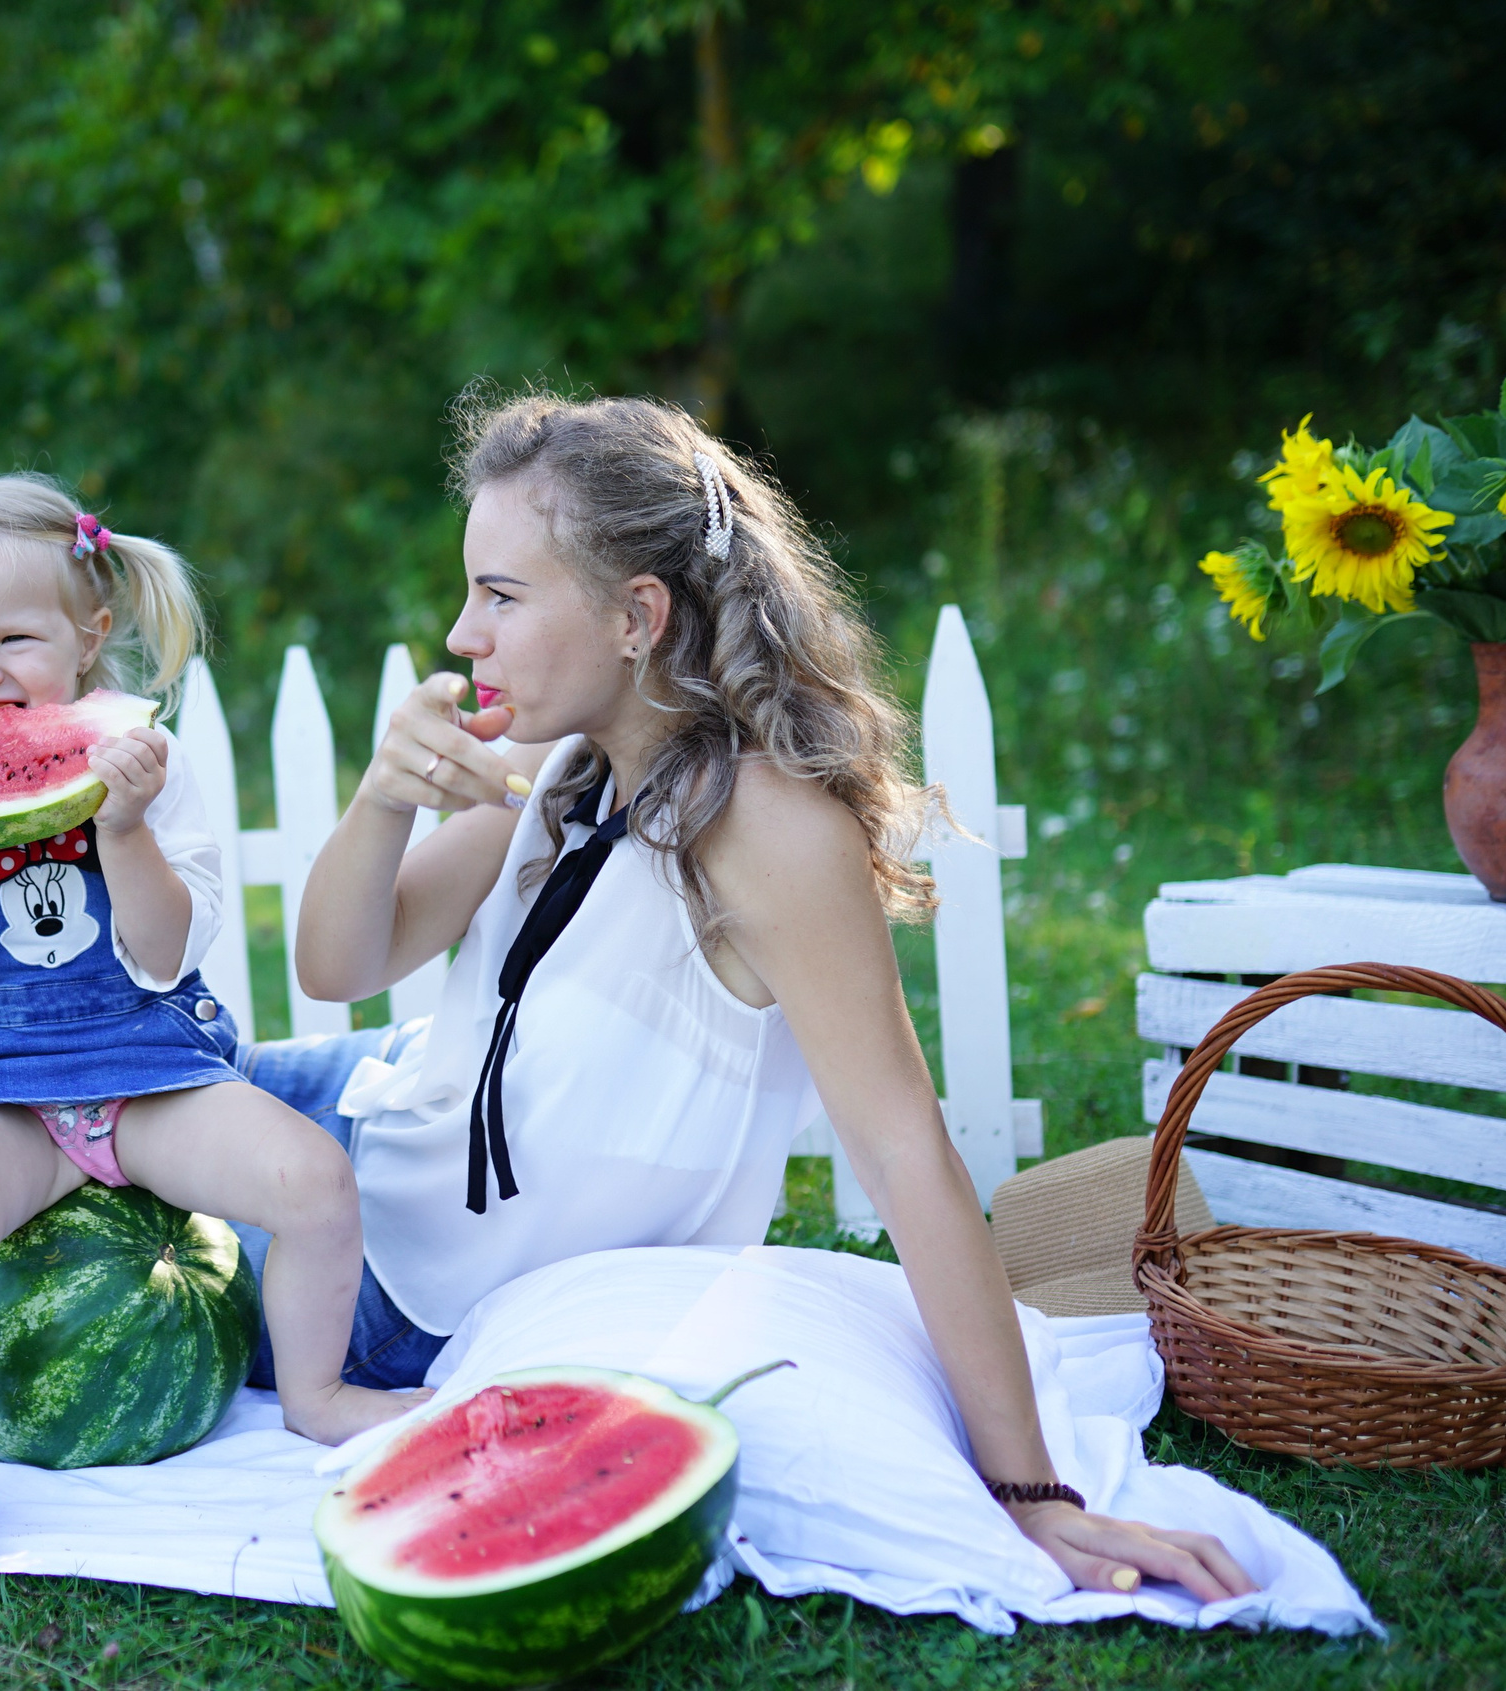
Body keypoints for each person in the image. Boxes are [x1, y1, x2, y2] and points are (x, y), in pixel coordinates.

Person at [271, 391, 1258, 1603]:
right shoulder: (561, 761)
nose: (462, 633)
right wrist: (383, 798)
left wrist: (1031, 1491)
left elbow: (901, 1149)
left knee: (91, 1163)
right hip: (361, 1118)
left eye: (501, 595)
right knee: (97, 1091)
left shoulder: (766, 830)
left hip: (383, 1282)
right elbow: (337, 967)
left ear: (637, 617)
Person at [0, 476, 417, 1577]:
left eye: (13, 639)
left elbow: (165, 953)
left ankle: (317, 1393)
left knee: (317, 1182)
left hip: (148, 1072)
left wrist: (124, 826)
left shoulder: (143, 770)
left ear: (91, 635)